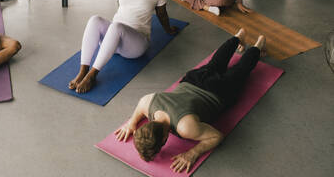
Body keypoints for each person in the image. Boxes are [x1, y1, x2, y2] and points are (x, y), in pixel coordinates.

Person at [114, 28, 266, 174]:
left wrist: (193, 153)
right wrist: (131, 123)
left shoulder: (185, 128)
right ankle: (238, 36)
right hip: (193, 79)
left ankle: (259, 44)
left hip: (218, 90)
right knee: (215, 63)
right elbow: (140, 106)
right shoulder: (149, 103)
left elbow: (217, 136)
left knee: (240, 71)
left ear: (166, 138)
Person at [68, 0, 179, 93]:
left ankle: (92, 76)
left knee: (116, 27)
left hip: (136, 45)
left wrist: (168, 29)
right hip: (113, 41)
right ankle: (83, 71)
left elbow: (162, 15)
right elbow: (122, 7)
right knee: (95, 20)